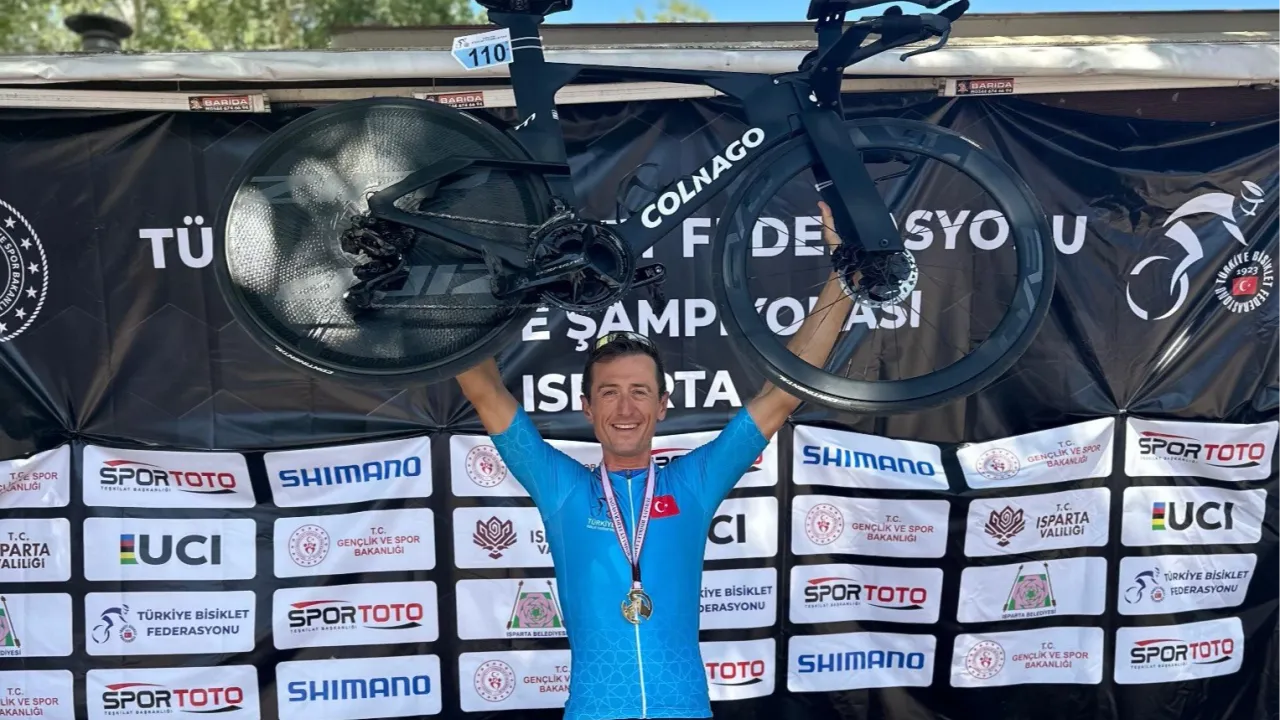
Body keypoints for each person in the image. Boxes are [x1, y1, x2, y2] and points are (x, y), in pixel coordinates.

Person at [455, 202, 855, 720]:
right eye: (610, 393)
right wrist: (449, 271)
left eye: (640, 392)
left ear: (663, 404)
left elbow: (782, 394)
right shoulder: (562, 489)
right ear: (587, 406)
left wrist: (843, 276)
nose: (625, 409)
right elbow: (485, 391)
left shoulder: (692, 484)